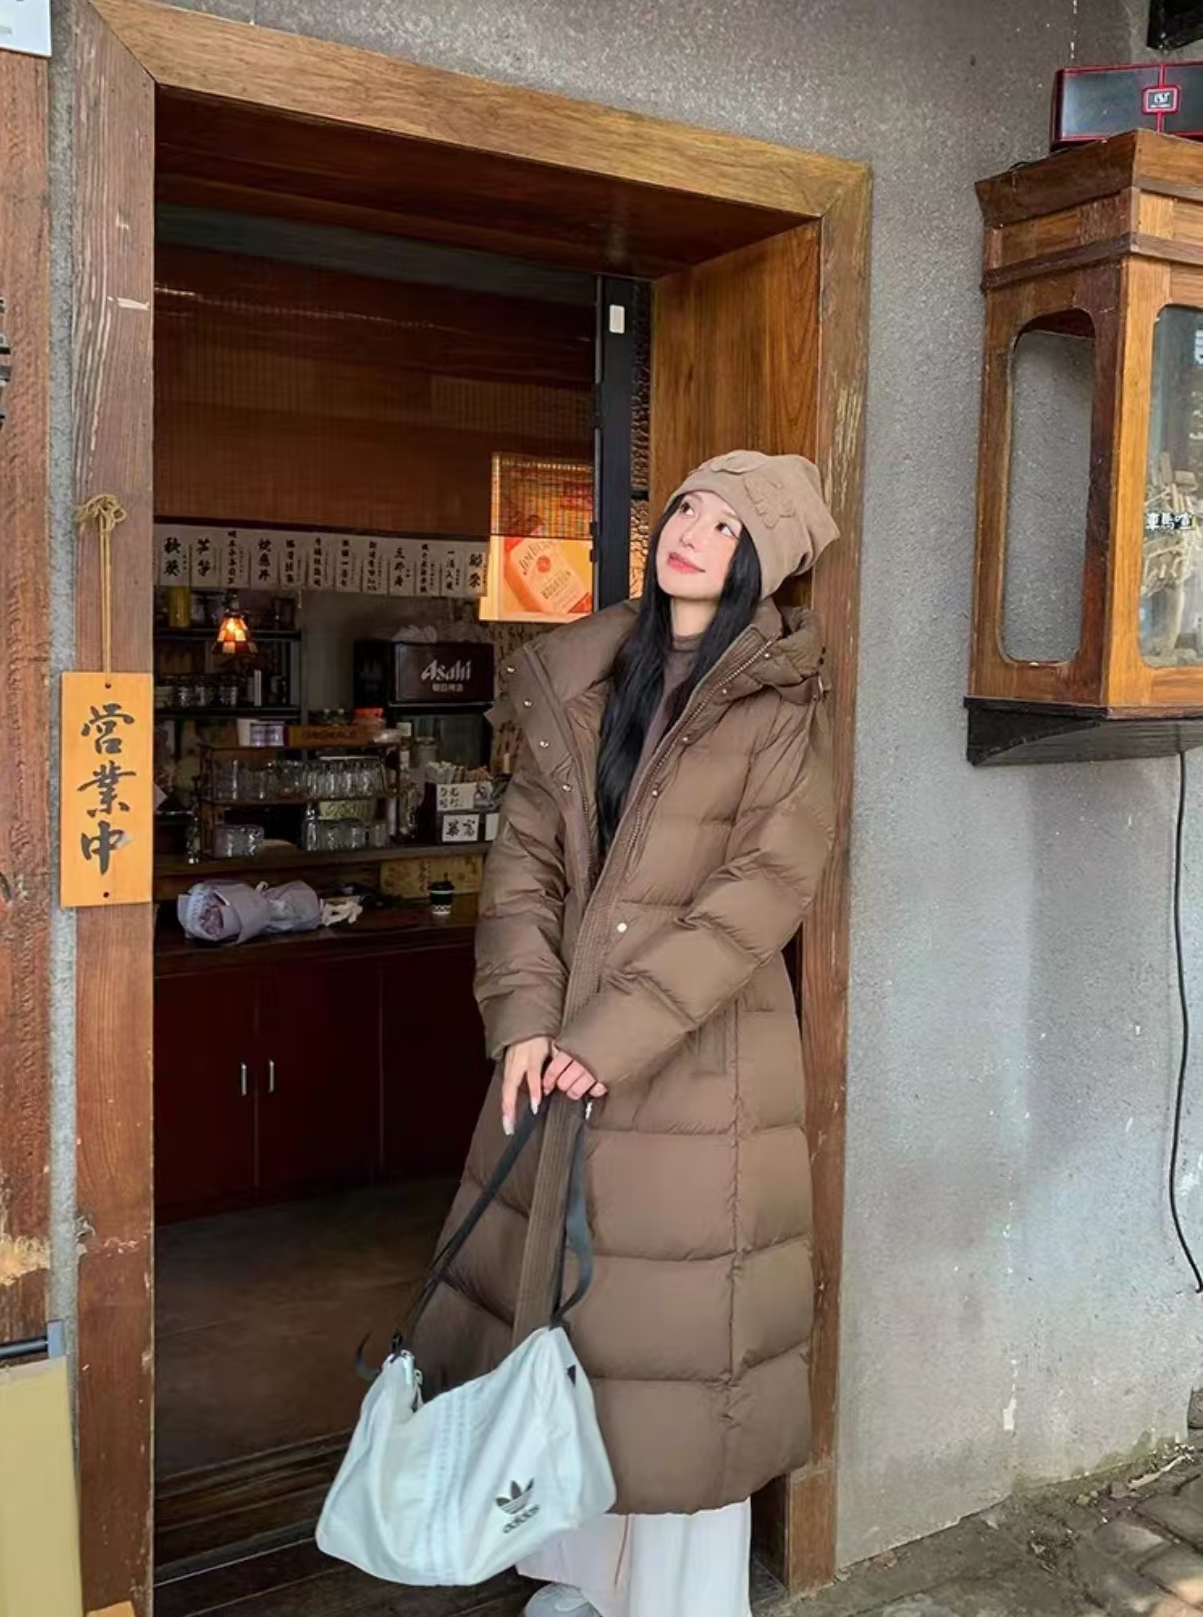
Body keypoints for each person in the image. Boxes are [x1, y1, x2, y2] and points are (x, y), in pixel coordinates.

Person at [414, 450, 839, 1617]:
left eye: (727, 523)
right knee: (578, 1343)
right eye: (688, 507)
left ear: (765, 559)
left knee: (678, 1367)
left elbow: (759, 896)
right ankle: (583, 1580)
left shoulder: (784, 701)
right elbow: (524, 867)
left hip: (703, 1074)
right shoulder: (588, 676)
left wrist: (604, 1035)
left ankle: (680, 1604)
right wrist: (523, 1019)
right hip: (558, 1061)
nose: (693, 530)